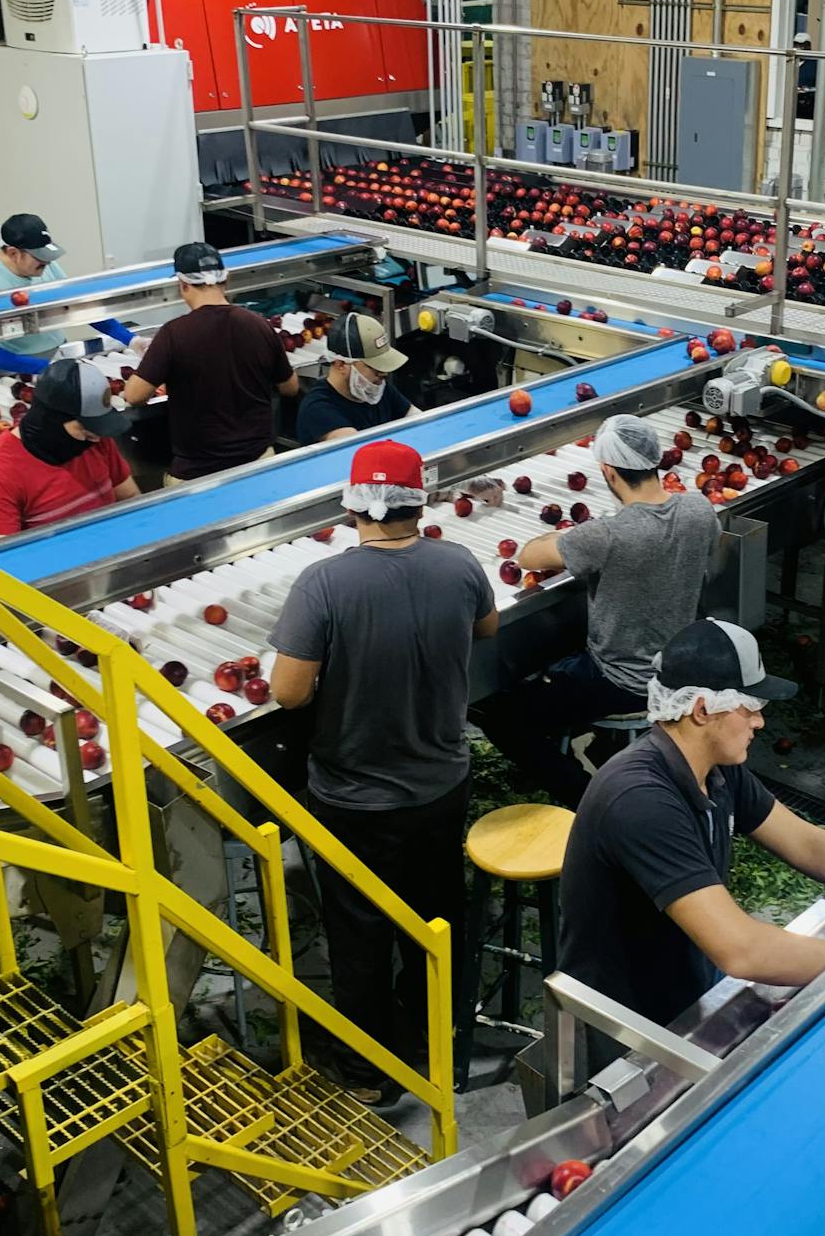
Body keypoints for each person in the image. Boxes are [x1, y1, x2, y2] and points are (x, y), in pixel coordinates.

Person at [557, 619, 825, 1069]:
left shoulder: (714, 766)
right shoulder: (641, 800)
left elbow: (808, 843)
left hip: (687, 980)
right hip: (628, 1027)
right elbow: (741, 950)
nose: (760, 720)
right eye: (748, 707)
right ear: (701, 710)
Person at [269, 438, 497, 1104]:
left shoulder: (325, 583)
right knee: (436, 911)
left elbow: (288, 693)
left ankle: (369, 1074)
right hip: (441, 784)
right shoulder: (458, 564)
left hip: (355, 798)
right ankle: (434, 1033)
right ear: (417, 503)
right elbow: (486, 628)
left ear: (352, 509)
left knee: (359, 931)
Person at [477, 415, 722, 807]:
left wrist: (570, 535)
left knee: (497, 714)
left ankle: (586, 797)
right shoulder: (699, 510)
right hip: (679, 668)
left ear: (607, 471)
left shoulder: (606, 535)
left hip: (620, 682)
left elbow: (528, 556)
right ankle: (590, 749)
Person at [118, 243, 300, 485]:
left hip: (197, 473)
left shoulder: (174, 334)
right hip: (258, 463)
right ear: (226, 279)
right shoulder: (258, 325)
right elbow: (290, 388)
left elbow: (134, 395)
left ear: (182, 285)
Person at [0, 357, 139, 542]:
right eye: (84, 431)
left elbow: (130, 498)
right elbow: (0, 561)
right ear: (52, 422)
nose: (95, 438)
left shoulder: (96, 439)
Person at [0, 214, 79, 374]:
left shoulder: (45, 266)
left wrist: (126, 338)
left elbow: (77, 303)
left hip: (57, 354)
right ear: (13, 253)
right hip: (14, 367)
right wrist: (44, 368)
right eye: (40, 257)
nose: (47, 262)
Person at [294, 314, 417, 444]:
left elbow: (418, 420)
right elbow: (357, 450)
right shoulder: (318, 408)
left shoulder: (376, 388)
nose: (383, 375)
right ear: (341, 364)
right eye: (376, 369)